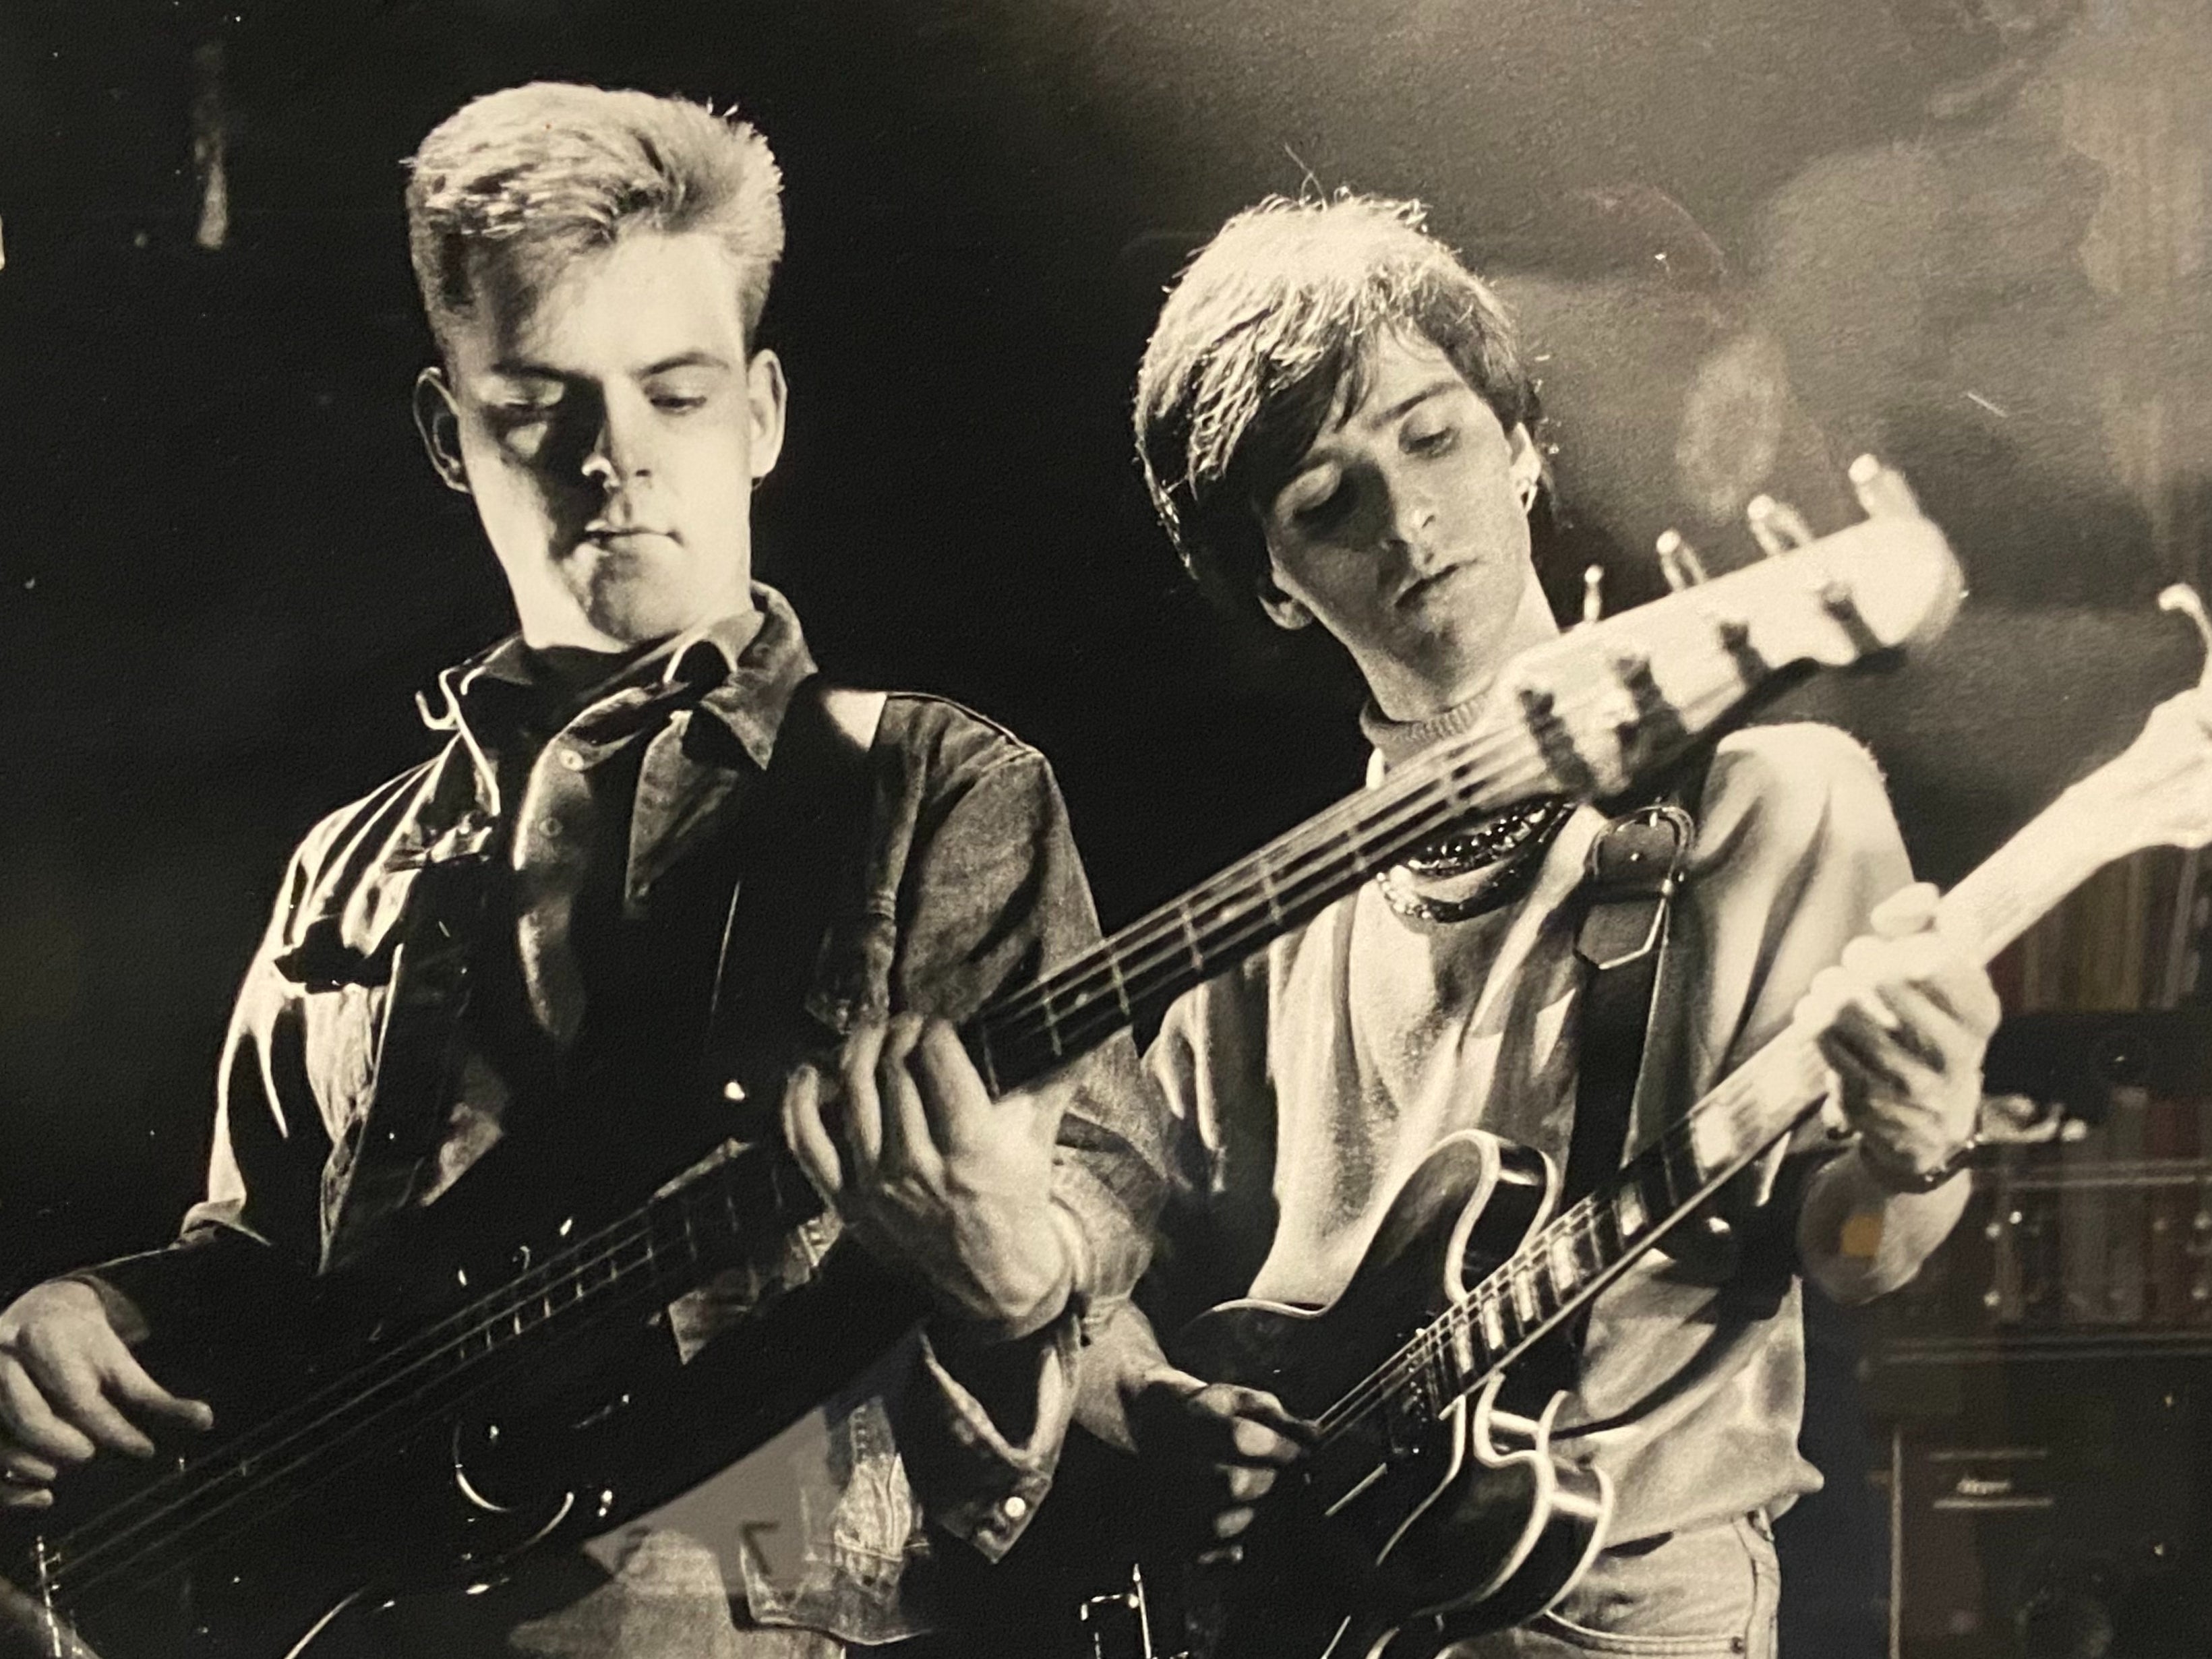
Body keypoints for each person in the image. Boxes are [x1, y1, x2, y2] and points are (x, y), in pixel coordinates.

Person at [0, 82, 1160, 1658]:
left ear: (758, 414)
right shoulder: (347, 866)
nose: (614, 461)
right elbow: (270, 1273)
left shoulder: (932, 788)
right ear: (445, 430)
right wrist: (101, 1316)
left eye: (672, 396)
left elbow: (1091, 1199)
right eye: (540, 408)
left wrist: (1022, 1280)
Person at [1077, 194, 1999, 1658]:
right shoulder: (1258, 946)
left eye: (1432, 437)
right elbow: (1100, 1291)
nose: (1407, 517)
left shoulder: (1776, 805)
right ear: (1270, 581)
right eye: (1326, 500)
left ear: (1521, 448)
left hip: (1635, 1617)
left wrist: (1921, 1138)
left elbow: (1853, 1245)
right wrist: (1163, 1411)